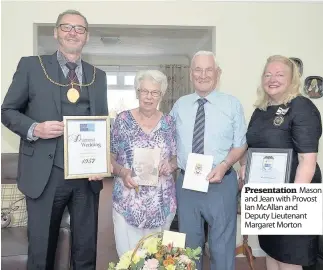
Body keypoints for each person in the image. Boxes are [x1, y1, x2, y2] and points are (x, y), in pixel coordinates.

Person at [1, 10, 108, 270]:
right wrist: (35, 128)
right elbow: (7, 111)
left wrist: (101, 162)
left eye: (79, 29)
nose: (73, 32)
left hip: (85, 178)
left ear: (87, 36)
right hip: (45, 176)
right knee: (42, 252)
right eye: (66, 27)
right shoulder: (31, 66)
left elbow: (101, 125)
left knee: (85, 251)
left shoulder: (98, 76)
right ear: (56, 32)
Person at [239, 55, 322, 270]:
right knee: (271, 252)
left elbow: (307, 159)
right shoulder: (261, 110)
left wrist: (292, 206)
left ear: (292, 78)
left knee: (290, 259)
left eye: (279, 74)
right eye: (268, 74)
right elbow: (253, 147)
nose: (272, 79)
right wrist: (245, 168)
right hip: (267, 198)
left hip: (294, 197)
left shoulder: (302, 107)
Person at [170, 50, 247, 270]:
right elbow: (173, 143)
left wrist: (224, 166)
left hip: (221, 182)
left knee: (221, 246)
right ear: (190, 73)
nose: (203, 75)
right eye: (198, 69)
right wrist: (172, 162)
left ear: (218, 73)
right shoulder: (179, 106)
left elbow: (241, 143)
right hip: (187, 184)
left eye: (208, 69)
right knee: (188, 246)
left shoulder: (232, 104)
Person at [110, 70, 177, 257]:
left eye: (155, 92)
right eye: (144, 91)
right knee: (128, 258)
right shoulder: (122, 120)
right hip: (127, 200)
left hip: (161, 202)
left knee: (156, 259)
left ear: (161, 95)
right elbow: (109, 156)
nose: (149, 97)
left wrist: (170, 165)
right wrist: (123, 172)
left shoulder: (169, 123)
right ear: (137, 92)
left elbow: (176, 157)